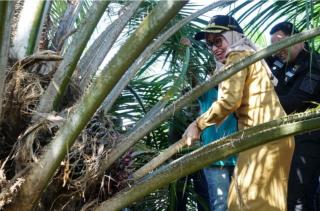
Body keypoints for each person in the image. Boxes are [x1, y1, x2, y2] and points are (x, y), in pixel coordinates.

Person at [183, 15, 295, 210]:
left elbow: (229, 101)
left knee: (252, 204)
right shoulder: (248, 55)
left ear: (234, 36)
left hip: (264, 137)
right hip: (267, 137)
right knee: (247, 201)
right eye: (210, 44)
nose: (214, 48)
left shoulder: (237, 56)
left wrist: (197, 125)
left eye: (218, 40)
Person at [269, 22, 320, 211]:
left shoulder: (313, 65)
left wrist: (263, 99)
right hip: (290, 140)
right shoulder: (283, 63)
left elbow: (292, 103)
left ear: (297, 40)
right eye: (273, 46)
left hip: (309, 139)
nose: (277, 51)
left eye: (280, 44)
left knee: (297, 198)